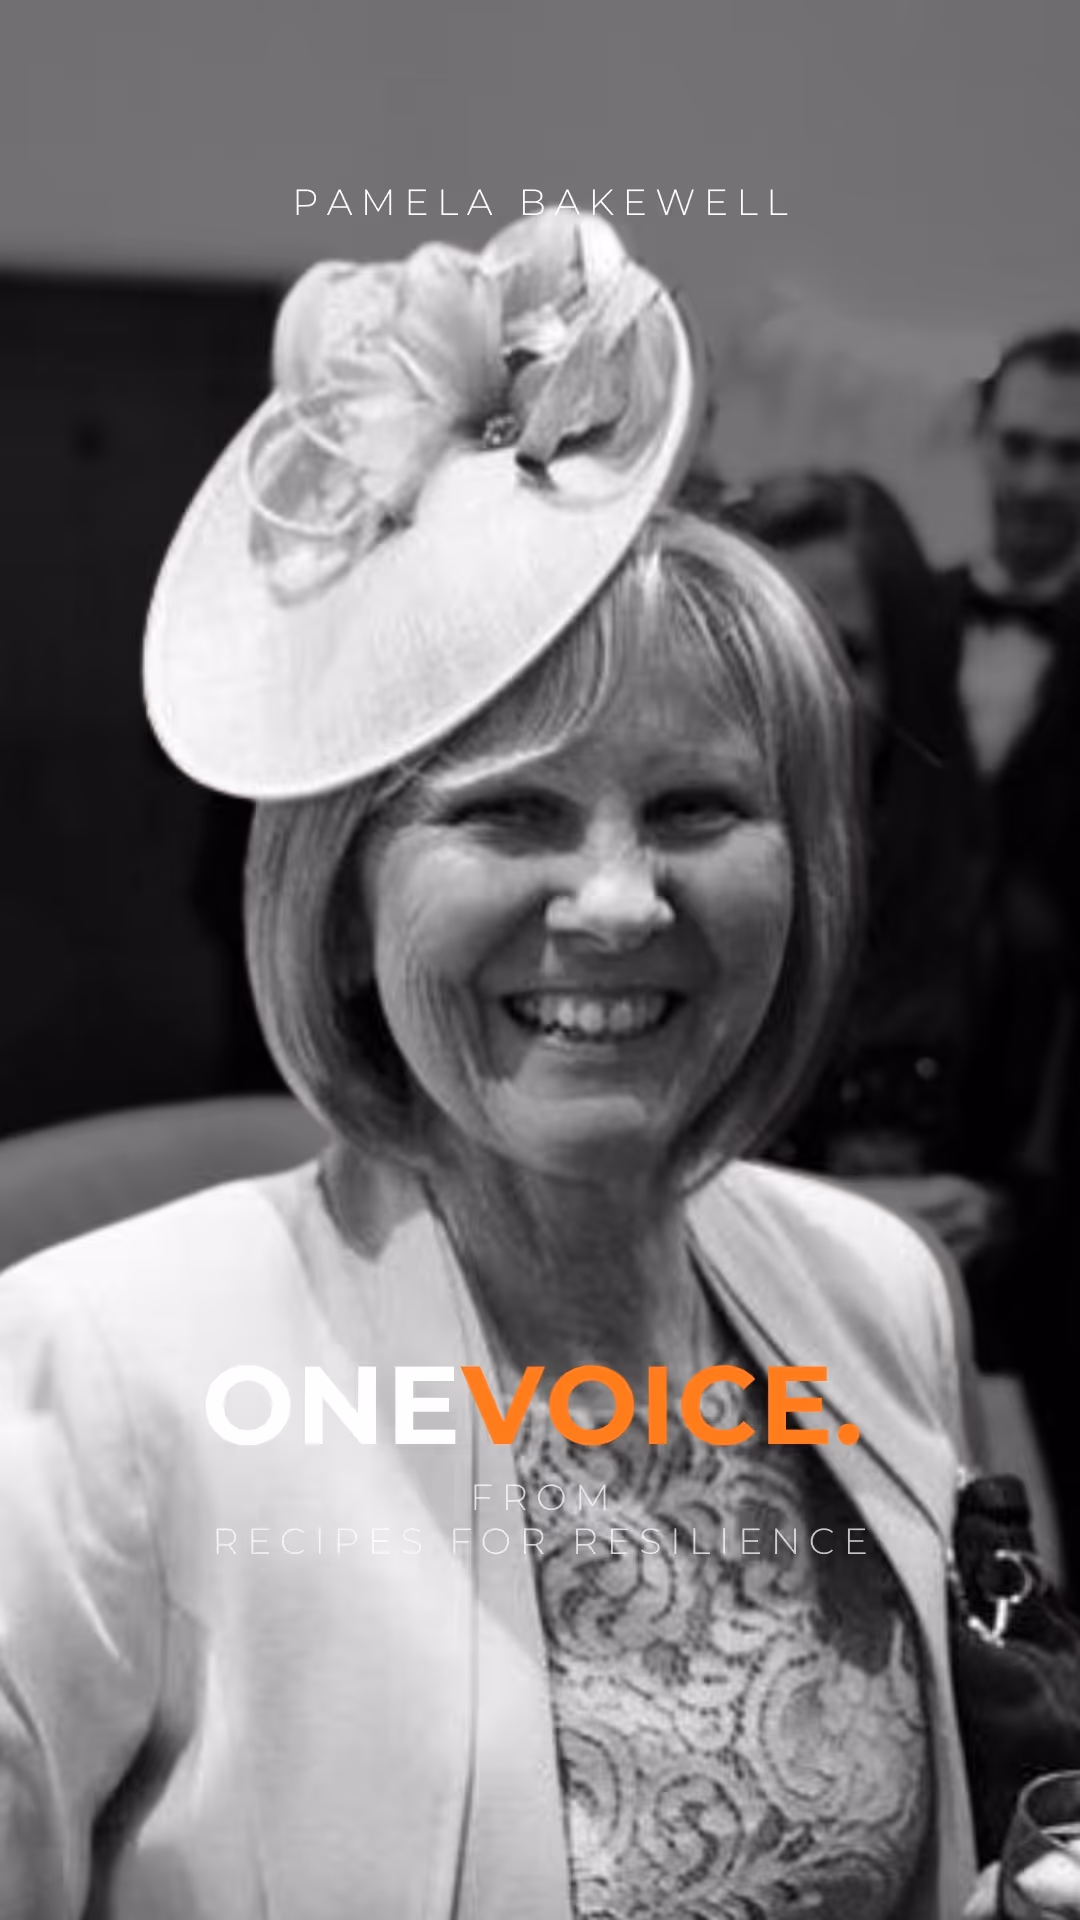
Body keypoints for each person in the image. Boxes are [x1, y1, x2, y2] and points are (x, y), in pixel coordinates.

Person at [0, 216, 981, 1917]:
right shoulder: (96, 1372)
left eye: (696, 810)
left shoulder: (881, 1290)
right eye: (508, 813)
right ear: (346, 886)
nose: (617, 900)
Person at [732, 469, 1064, 1578]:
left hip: (925, 1408)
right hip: (686, 1390)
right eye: (767, 638)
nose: (806, 686)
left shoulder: (997, 923)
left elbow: (1029, 1211)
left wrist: (1004, 1222)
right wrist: (849, 1216)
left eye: (850, 651)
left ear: (910, 672)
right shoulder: (653, 901)